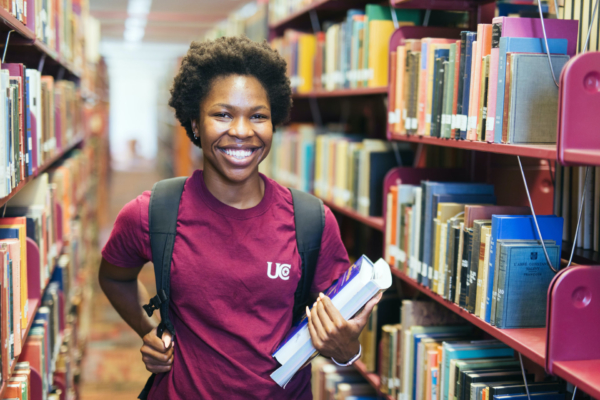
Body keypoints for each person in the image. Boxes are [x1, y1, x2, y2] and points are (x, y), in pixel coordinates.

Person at [98, 36, 381, 399]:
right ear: (195, 124)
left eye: (258, 116)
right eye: (223, 114)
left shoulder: (311, 222)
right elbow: (114, 276)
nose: (242, 131)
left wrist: (347, 350)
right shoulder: (153, 212)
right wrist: (149, 329)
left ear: (274, 123)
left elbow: (339, 333)